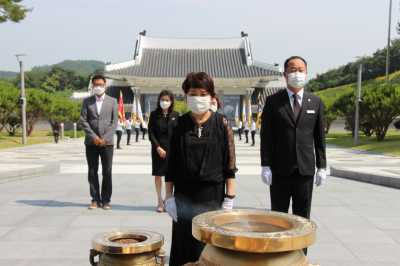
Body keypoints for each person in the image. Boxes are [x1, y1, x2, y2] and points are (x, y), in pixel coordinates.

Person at [164, 72, 237, 266]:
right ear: (186, 96)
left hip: (212, 195)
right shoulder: (177, 124)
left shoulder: (222, 124)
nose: (198, 97)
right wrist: (168, 198)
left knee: (209, 246)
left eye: (203, 94)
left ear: (212, 97)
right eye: (193, 93)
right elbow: (170, 166)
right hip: (183, 196)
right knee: (184, 244)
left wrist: (229, 199)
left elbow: (230, 166)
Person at [260, 56, 326, 256]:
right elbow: (266, 136)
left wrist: (322, 166)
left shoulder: (315, 101)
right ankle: (278, 255)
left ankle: (300, 257)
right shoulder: (273, 101)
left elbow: (319, 136)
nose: (297, 73)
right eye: (293, 69)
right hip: (280, 169)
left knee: (303, 218)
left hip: (305, 170)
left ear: (306, 73)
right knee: (278, 217)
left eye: (301, 69)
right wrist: (265, 165)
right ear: (285, 74)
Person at [80, 74, 118, 210]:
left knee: (107, 171)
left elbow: (115, 121)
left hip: (107, 143)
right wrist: (93, 137)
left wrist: (105, 138)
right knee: (92, 171)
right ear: (92, 86)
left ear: (105, 85)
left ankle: (106, 199)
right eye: (95, 84)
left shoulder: (113, 101)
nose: (98, 86)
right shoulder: (87, 101)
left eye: (100, 84)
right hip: (91, 143)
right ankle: (95, 199)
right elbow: (83, 120)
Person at [148, 90, 180, 212]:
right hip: (157, 149)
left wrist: (171, 149)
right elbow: (150, 133)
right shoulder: (154, 114)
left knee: (170, 176)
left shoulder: (176, 115)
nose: (164, 102)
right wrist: (158, 148)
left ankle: (168, 200)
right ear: (159, 100)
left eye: (167, 100)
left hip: (171, 150)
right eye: (162, 100)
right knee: (158, 175)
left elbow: (177, 134)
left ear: (171, 101)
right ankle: (160, 200)